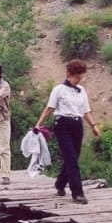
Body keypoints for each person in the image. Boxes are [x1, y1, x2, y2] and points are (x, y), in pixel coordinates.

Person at [34, 59, 102, 205]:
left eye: (81, 77)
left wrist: (93, 125)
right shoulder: (58, 90)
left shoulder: (81, 91)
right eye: (77, 77)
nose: (79, 80)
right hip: (63, 125)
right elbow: (49, 108)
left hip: (77, 125)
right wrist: (38, 125)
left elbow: (85, 111)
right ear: (68, 74)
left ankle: (59, 184)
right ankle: (77, 193)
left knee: (73, 158)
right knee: (71, 158)